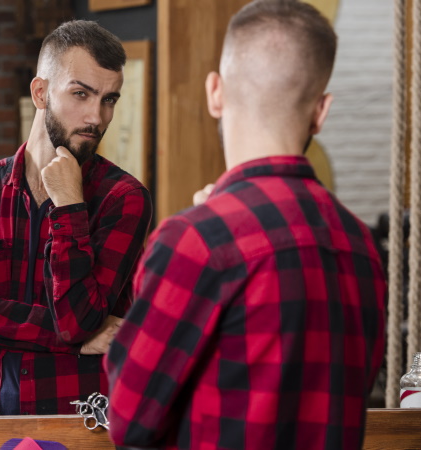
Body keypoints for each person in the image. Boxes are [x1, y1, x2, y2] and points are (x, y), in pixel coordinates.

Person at [105, 2, 386, 449]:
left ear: (215, 92)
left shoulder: (194, 242)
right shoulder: (361, 247)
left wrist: (185, 246)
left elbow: (128, 418)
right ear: (321, 111)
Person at [0, 20, 153, 416]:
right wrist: (68, 338)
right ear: (40, 92)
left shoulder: (123, 199)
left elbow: (79, 320)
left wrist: (70, 205)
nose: (96, 117)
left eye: (109, 99)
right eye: (81, 94)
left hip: (81, 419)